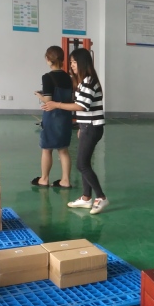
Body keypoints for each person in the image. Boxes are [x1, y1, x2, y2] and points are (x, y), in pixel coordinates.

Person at [42, 48, 108, 215]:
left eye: (73, 62)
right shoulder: (83, 81)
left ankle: (101, 197)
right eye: (70, 62)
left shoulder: (89, 81)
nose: (71, 65)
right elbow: (85, 108)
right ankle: (86, 198)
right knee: (84, 162)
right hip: (87, 126)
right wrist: (80, 126)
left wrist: (56, 104)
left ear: (82, 62)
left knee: (82, 164)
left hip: (92, 127)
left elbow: (81, 106)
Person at [32, 46, 74, 188]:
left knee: (46, 149)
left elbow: (48, 100)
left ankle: (44, 179)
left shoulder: (47, 77)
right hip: (65, 116)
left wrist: (39, 95)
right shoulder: (68, 77)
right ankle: (65, 180)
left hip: (52, 117)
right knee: (63, 150)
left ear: (48, 59)